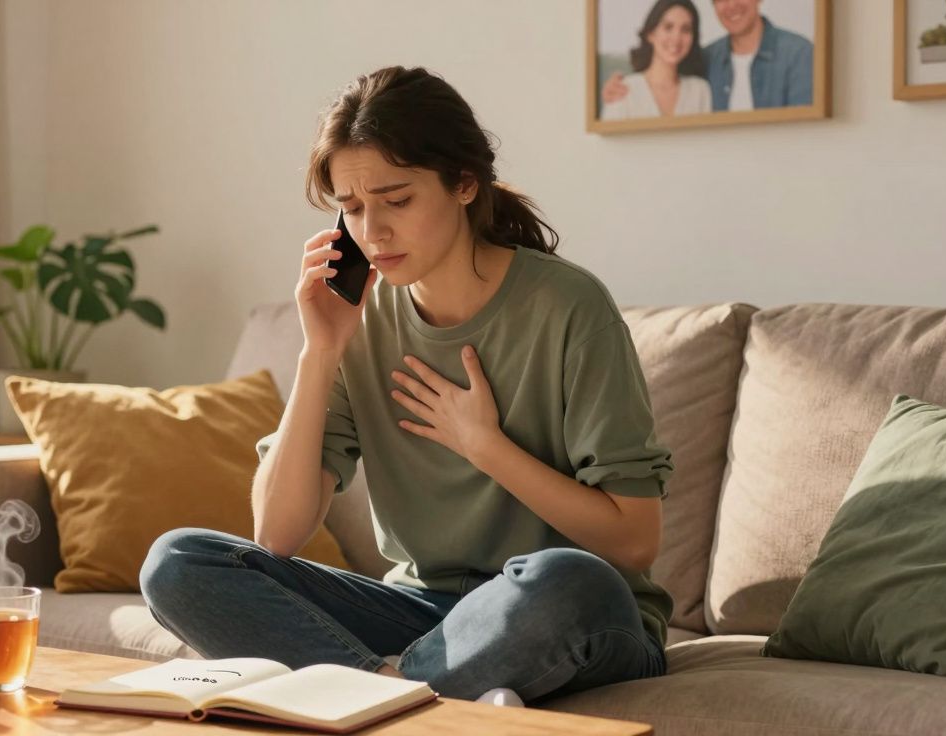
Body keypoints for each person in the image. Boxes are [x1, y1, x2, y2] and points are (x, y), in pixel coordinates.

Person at [140, 65, 673, 706]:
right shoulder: (358, 318)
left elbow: (634, 539)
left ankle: (372, 700)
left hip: (571, 612)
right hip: (427, 614)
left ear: (465, 185)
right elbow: (277, 534)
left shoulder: (568, 306)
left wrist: (487, 447)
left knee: (565, 579)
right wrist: (321, 350)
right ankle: (412, 697)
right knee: (179, 562)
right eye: (353, 208)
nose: (373, 231)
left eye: (397, 200)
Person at [604, 0, 814, 113]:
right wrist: (616, 84)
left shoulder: (799, 54)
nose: (731, 5)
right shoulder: (708, 58)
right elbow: (662, 74)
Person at [602, 0, 712, 120]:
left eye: (685, 29)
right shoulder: (623, 90)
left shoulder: (700, 90)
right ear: (650, 34)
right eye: (668, 27)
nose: (676, 38)